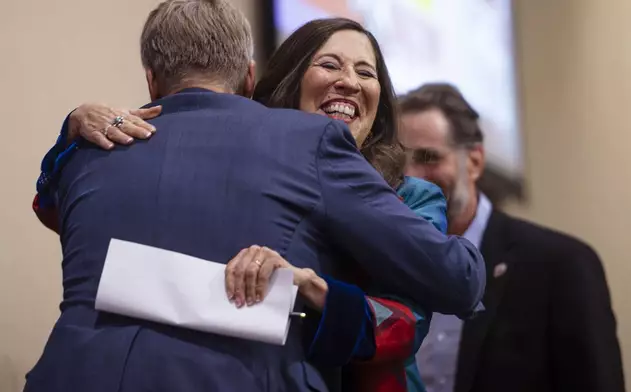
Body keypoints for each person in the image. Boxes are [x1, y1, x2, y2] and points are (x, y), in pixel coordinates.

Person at [26, 2, 486, 391]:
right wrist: (74, 126)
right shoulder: (300, 145)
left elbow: (409, 318)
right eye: (329, 64)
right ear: (255, 79)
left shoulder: (410, 195)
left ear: (152, 79)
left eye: (366, 72)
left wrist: (311, 287)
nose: (348, 80)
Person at [396, 83, 625, 392]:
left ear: (474, 162)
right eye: (399, 162)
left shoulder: (560, 266)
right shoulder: (383, 271)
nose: (412, 177)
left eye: (429, 157)